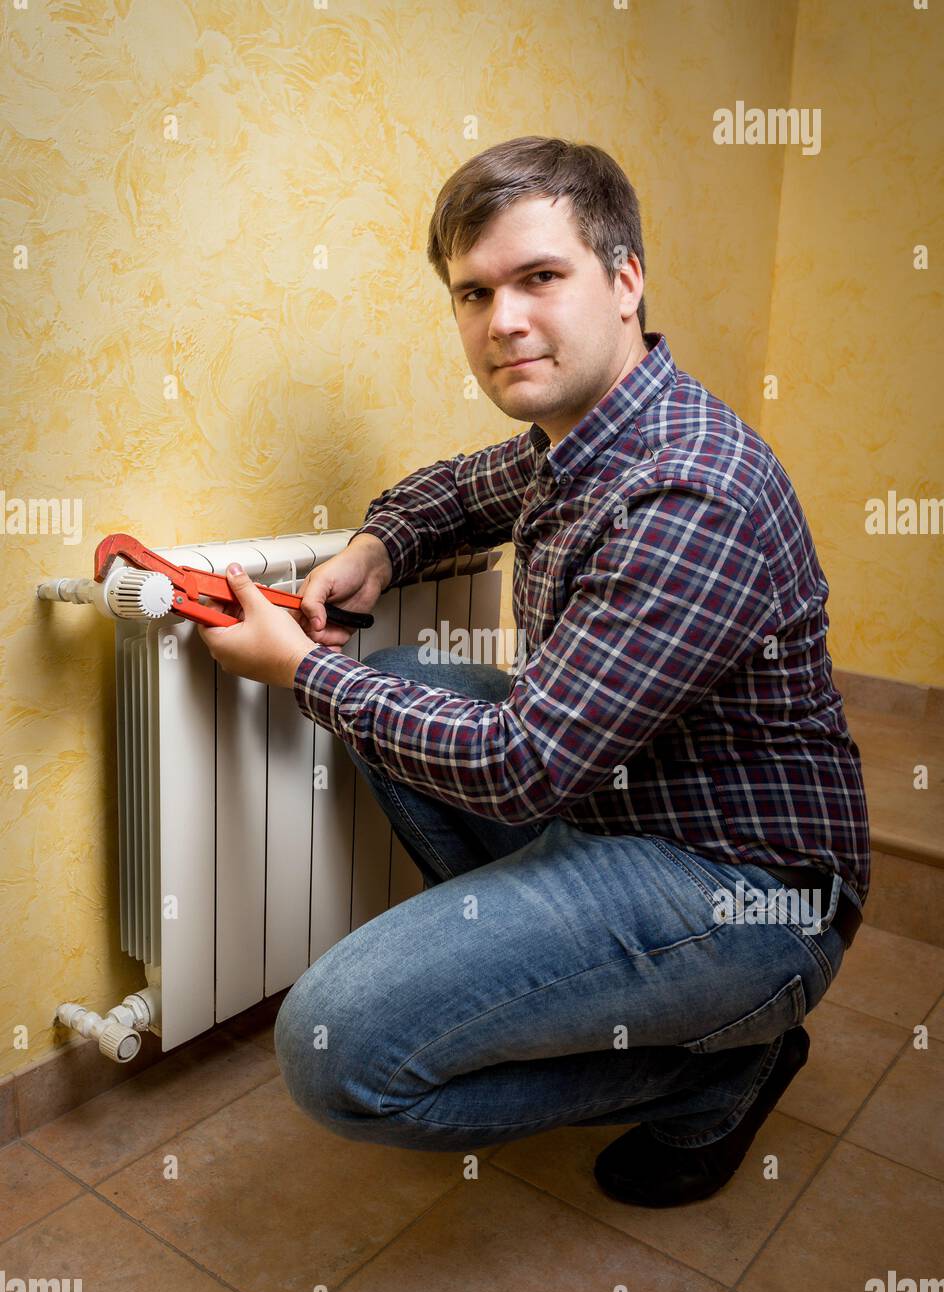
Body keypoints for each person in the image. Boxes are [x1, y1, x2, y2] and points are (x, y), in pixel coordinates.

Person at [199, 136, 870, 1208]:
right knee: (416, 670)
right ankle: (560, 987)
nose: (500, 319)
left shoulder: (684, 492)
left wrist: (300, 674)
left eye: (537, 278)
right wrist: (377, 546)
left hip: (746, 890)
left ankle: (722, 1064)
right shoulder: (585, 432)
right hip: (621, 815)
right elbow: (460, 490)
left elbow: (519, 768)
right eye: (473, 292)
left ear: (623, 280)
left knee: (336, 1053)